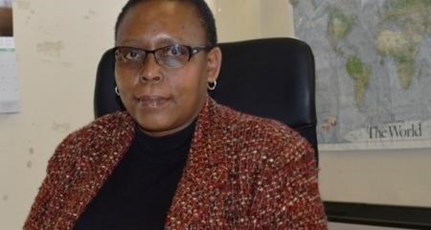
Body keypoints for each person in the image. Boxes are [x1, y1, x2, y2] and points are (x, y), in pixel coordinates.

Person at [24, 0, 327, 229]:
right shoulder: (79, 151)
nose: (149, 72)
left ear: (211, 65)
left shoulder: (272, 155)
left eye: (173, 52)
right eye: (131, 54)